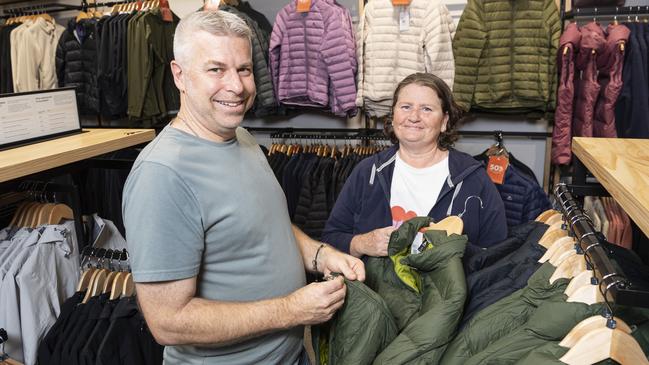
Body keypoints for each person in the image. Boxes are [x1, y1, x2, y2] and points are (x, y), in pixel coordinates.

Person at [121, 11, 364, 365]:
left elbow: (265, 226)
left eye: (244, 69)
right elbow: (168, 322)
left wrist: (318, 254)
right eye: (216, 69)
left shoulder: (243, 138)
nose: (236, 86)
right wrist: (291, 310)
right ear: (180, 75)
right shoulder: (163, 175)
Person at [322, 72, 508, 258]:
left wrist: (454, 253)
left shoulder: (474, 179)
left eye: (426, 109)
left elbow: (496, 256)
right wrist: (361, 243)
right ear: (393, 116)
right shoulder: (368, 171)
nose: (414, 117)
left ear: (444, 121)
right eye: (405, 107)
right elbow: (331, 239)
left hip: (450, 287)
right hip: (374, 287)